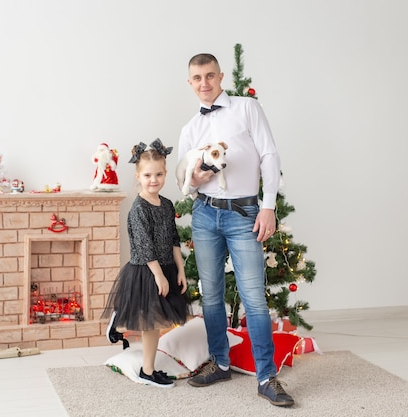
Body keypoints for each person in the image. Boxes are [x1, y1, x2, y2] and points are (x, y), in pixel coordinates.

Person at [177, 53, 294, 407]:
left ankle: (266, 377)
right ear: (190, 82)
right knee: (211, 295)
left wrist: (269, 205)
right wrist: (193, 179)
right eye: (197, 78)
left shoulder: (246, 108)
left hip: (245, 212)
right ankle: (221, 362)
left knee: (254, 297)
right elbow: (184, 175)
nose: (204, 83)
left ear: (221, 76)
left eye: (210, 75)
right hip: (205, 214)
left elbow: (269, 155)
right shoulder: (190, 129)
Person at [103, 138, 190, 388]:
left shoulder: (166, 205)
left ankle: (120, 325)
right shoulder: (139, 208)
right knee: (150, 321)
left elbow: (174, 239)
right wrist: (159, 276)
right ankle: (147, 370)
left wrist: (180, 270)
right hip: (147, 270)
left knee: (155, 320)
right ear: (138, 176)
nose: (154, 180)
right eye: (148, 175)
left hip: (167, 267)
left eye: (159, 174)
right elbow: (144, 245)